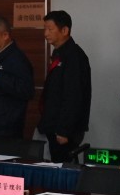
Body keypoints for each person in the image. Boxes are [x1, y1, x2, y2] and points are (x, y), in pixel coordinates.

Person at [38, 10, 91, 163]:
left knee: (63, 166)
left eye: (50, 29)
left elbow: (73, 95)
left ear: (65, 30)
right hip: (53, 125)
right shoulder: (60, 53)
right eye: (45, 29)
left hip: (64, 130)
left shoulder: (74, 56)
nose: (46, 33)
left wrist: (64, 130)